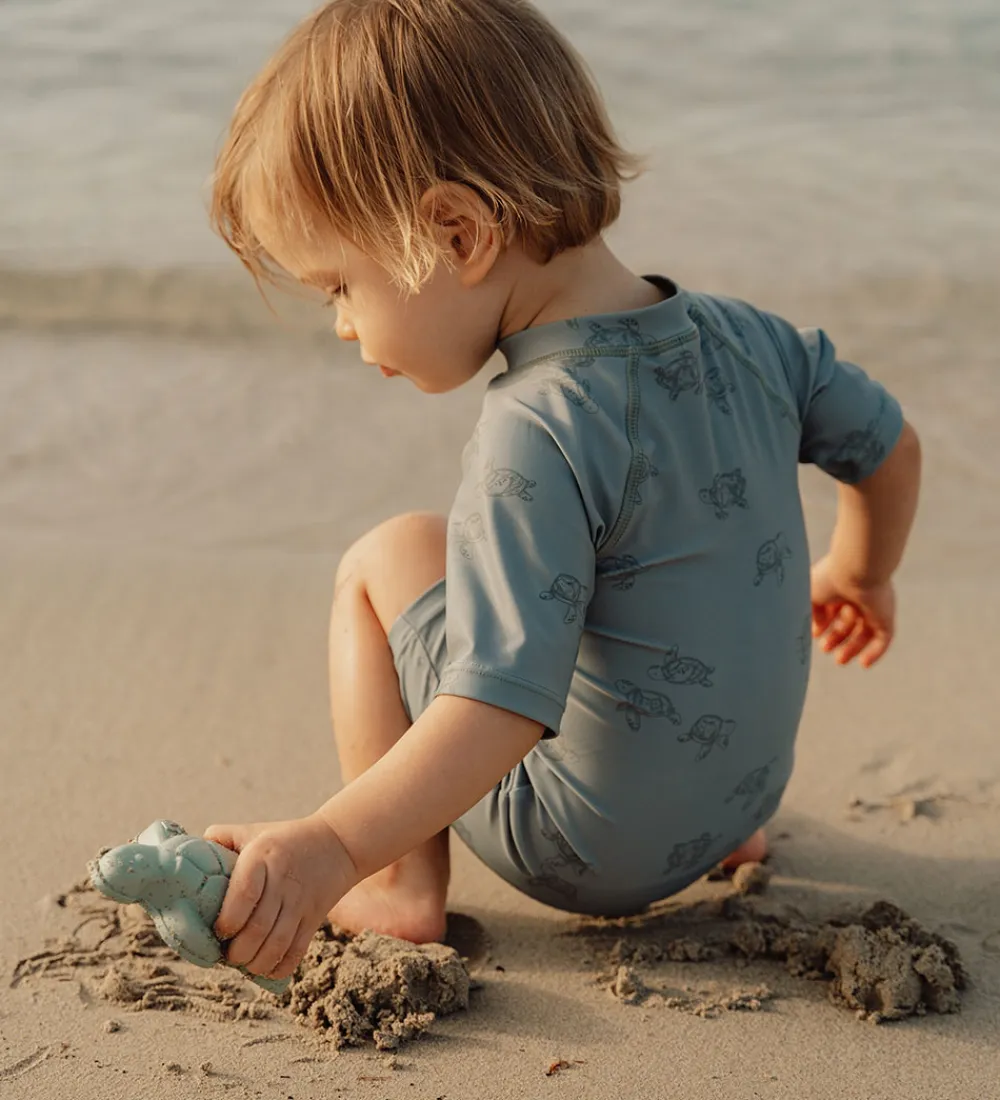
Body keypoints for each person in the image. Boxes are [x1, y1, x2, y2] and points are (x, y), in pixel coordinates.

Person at [202, 0, 922, 982]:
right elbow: (890, 447)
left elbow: (496, 710)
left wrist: (331, 841)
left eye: (338, 286)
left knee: (383, 558)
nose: (338, 325)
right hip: (743, 792)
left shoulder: (538, 424)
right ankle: (722, 830)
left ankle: (402, 882)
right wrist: (859, 569)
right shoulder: (752, 339)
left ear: (455, 231)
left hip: (581, 846)